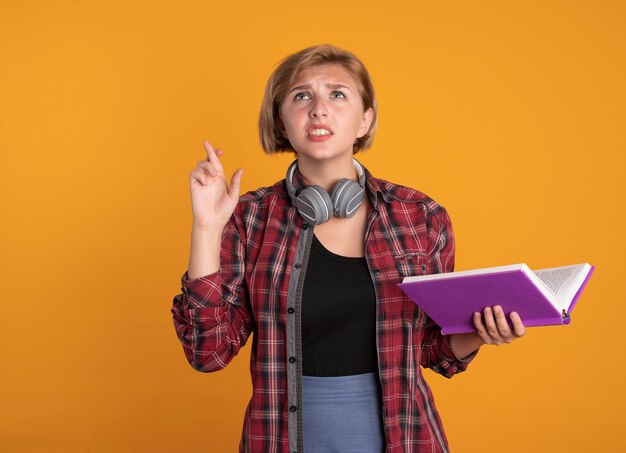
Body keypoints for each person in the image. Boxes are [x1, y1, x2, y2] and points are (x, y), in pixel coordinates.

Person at [171, 44, 526, 453]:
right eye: (301, 95)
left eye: (337, 94)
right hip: (280, 440)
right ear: (282, 122)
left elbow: (431, 348)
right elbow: (207, 353)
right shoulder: (249, 217)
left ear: (365, 120)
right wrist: (206, 227)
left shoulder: (420, 216)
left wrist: (481, 333)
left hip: (405, 438)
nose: (319, 109)